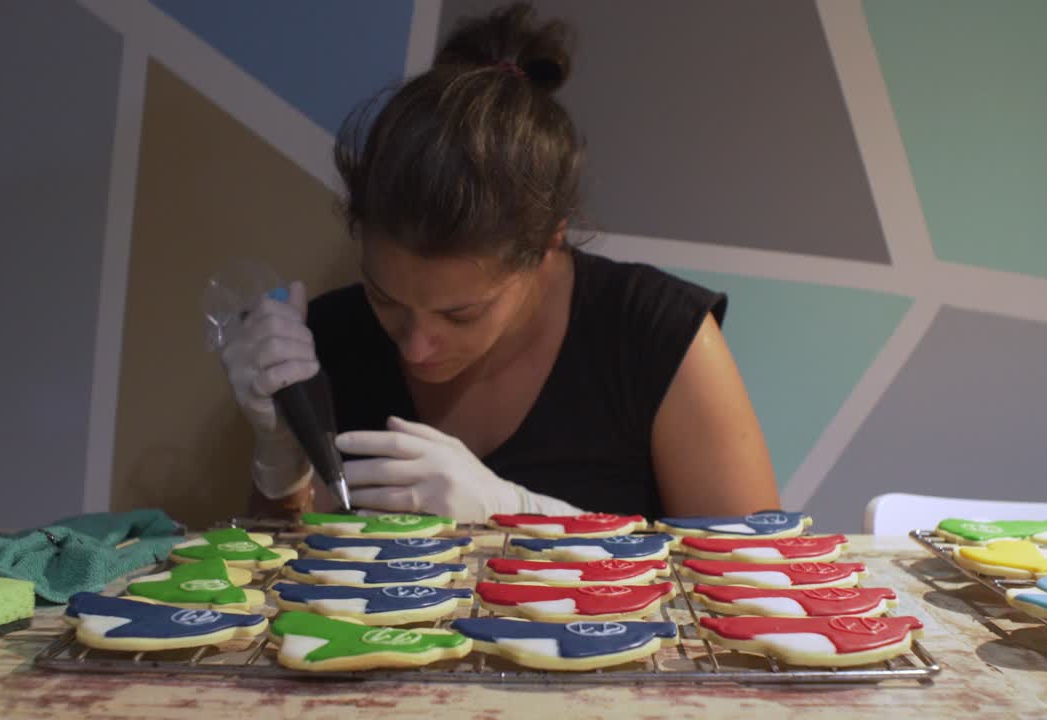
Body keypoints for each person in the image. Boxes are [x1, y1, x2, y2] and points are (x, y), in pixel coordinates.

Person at [220, 2, 779, 523]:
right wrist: (280, 461)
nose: (415, 347)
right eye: (385, 299)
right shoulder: (331, 340)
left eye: (461, 314)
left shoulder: (655, 336)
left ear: (548, 243)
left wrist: (526, 516)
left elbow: (758, 581)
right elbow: (277, 581)